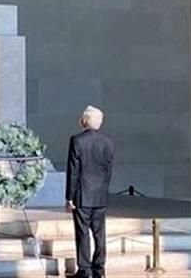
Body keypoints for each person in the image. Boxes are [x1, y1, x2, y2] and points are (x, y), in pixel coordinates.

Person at [66, 105, 115, 278]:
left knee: (83, 233)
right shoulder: (108, 142)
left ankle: (84, 269)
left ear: (84, 120)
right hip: (100, 195)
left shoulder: (77, 140)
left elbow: (74, 171)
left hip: (82, 195)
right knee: (99, 233)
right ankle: (99, 269)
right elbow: (108, 171)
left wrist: (69, 197)